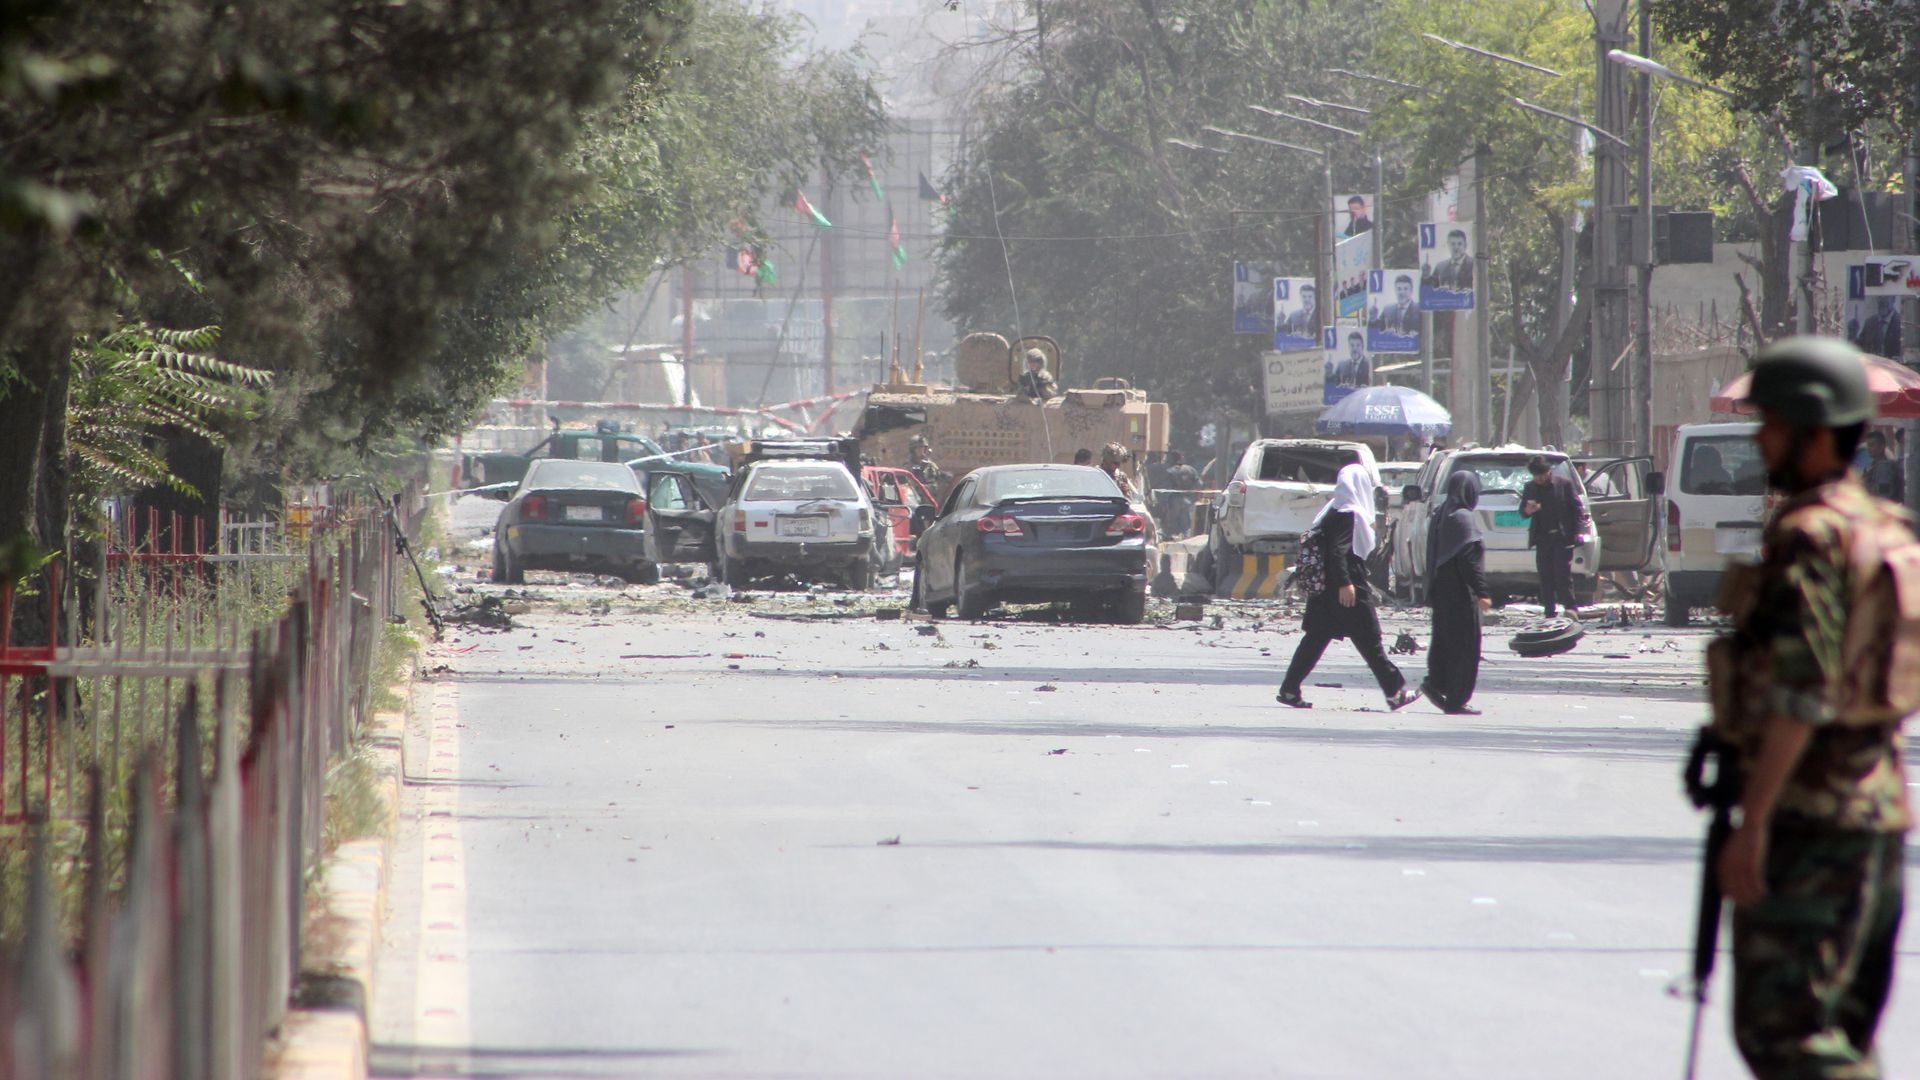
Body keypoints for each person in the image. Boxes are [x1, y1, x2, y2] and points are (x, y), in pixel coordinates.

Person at [1707, 336, 1910, 1078]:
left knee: (1787, 1036)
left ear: (1817, 433)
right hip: (1876, 813)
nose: (1760, 440)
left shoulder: (1810, 535)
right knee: (1842, 1036)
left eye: (1773, 424)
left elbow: (1804, 689)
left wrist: (1754, 822)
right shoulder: (1886, 528)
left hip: (1808, 819)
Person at [1276, 464, 1422, 711]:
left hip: (1326, 590)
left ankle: (1290, 689)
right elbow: (1339, 552)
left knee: (1316, 639)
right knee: (1370, 639)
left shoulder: (1332, 510)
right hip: (1347, 587)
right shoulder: (1349, 514)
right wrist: (1345, 583)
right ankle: (1395, 691)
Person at [1420, 471, 1490, 715]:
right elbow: (1468, 561)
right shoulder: (1463, 518)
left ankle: (1436, 683)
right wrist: (1482, 592)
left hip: (1440, 589)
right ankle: (1456, 699)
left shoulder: (1442, 513)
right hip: (1461, 592)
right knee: (1465, 646)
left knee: (1444, 640)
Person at [1519, 455, 1590, 618]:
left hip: (1561, 537)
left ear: (1549, 471)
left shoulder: (1563, 484)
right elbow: (1523, 512)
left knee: (1562, 574)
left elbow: (1577, 509)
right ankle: (1549, 611)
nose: (1539, 479)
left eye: (1541, 475)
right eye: (1536, 476)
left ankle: (1570, 608)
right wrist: (1527, 511)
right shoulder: (1530, 487)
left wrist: (1579, 531)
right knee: (1545, 575)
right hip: (1542, 537)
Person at [1861, 429, 1904, 502]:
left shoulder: (1884, 467)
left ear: (1882, 446)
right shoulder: (1873, 466)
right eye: (1868, 445)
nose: (1869, 448)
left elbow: (1884, 494)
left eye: (1872, 445)